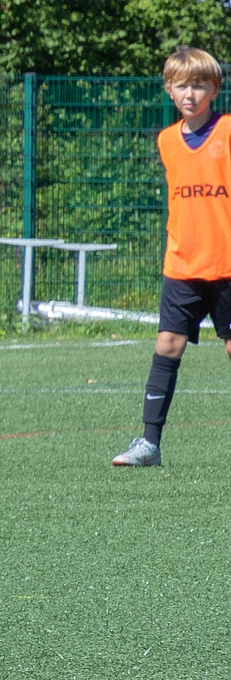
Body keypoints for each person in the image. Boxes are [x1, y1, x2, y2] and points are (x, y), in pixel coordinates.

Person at [116, 45, 231, 466]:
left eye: (199, 85)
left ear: (215, 89)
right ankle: (149, 444)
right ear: (168, 90)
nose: (190, 93)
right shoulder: (166, 140)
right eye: (181, 85)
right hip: (182, 264)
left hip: (227, 264)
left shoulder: (228, 132)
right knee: (168, 344)